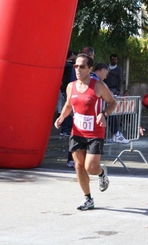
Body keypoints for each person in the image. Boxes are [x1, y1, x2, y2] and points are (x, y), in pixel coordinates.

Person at [54, 54, 117, 210]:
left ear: (90, 69)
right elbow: (69, 105)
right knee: (79, 166)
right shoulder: (71, 86)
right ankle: (88, 198)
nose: (78, 69)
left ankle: (102, 173)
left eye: (82, 66)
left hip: (95, 132)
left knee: (91, 167)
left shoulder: (99, 86)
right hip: (77, 132)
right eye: (76, 66)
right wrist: (61, 117)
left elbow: (112, 102)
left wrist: (104, 114)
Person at [103, 54, 129, 143]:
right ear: (110, 59)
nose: (114, 61)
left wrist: (118, 90)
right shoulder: (107, 68)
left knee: (113, 112)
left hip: (114, 89)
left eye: (116, 59)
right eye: (113, 59)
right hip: (105, 88)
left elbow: (120, 79)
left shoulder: (118, 69)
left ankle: (116, 133)